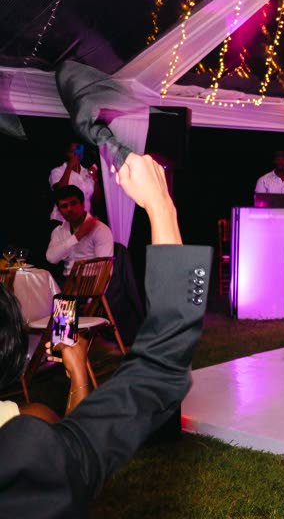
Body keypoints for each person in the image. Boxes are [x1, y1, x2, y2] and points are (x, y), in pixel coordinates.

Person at [0, 152, 212, 516]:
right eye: (62, 206)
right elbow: (53, 257)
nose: (66, 210)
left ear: (82, 203)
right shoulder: (24, 442)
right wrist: (162, 208)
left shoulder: (101, 230)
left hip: (89, 292)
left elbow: (102, 268)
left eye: (71, 204)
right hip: (66, 290)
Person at [45, 185, 114, 276]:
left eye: (73, 203)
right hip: (67, 282)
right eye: (64, 206)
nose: (69, 209)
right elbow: (51, 258)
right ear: (59, 211)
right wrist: (77, 237)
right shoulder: (59, 231)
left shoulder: (100, 229)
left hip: (90, 282)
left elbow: (104, 270)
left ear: (83, 204)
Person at [49, 142, 99, 224]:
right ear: (66, 154)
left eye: (79, 151)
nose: (77, 155)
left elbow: (96, 199)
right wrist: (69, 167)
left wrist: (95, 178)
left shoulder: (86, 172)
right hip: (62, 221)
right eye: (73, 152)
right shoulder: (58, 171)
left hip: (83, 220)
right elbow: (60, 191)